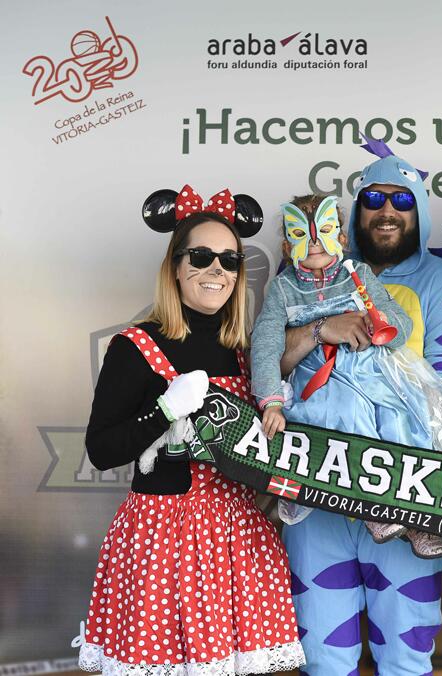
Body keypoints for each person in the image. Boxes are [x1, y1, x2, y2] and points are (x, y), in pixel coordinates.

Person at [79, 185, 305, 675]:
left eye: (229, 259)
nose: (216, 270)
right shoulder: (134, 346)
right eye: (201, 256)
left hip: (237, 534)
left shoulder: (245, 352)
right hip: (163, 539)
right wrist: (163, 409)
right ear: (175, 267)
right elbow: (100, 450)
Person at [279, 146, 442, 675]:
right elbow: (267, 367)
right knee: (322, 656)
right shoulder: (298, 279)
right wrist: (320, 331)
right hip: (314, 492)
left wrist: (374, 432)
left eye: (401, 200)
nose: (386, 211)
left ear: (421, 212)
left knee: (405, 656)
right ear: (353, 212)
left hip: (402, 495)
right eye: (372, 198)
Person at [250, 193, 442, 557]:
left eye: (323, 231)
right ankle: (376, 506)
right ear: (285, 245)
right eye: (301, 234)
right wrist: (272, 402)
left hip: (371, 370)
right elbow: (264, 346)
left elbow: (398, 323)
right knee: (351, 414)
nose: (313, 242)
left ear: (341, 239)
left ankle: (418, 518)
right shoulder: (282, 289)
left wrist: (381, 323)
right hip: (322, 382)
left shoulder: (358, 275)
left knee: (404, 421)